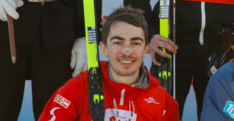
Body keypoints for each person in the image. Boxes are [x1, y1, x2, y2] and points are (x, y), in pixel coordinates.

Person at [38, 6, 179, 120]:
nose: (127, 51)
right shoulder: (79, 87)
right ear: (104, 48)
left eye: (136, 43)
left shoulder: (164, 102)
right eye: (118, 42)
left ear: (146, 49)